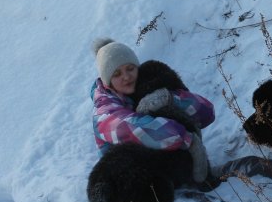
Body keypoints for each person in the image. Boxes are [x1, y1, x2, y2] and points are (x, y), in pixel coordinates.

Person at [90, 38, 214, 183]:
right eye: (116, 74)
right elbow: (129, 129)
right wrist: (186, 138)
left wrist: (170, 98)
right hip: (127, 179)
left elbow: (206, 112)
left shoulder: (144, 87)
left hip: (161, 167)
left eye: (130, 68)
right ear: (107, 82)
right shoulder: (103, 109)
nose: (126, 76)